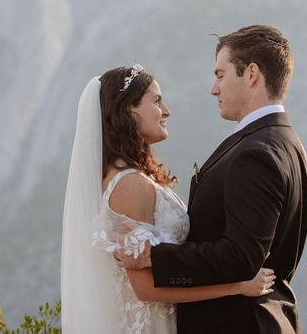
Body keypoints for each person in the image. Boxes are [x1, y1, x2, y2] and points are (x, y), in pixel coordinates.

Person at [119, 25, 307, 333]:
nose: (213, 88)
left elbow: (240, 257)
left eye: (220, 75)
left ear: (251, 75)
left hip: (236, 323)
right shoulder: (287, 143)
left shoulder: (256, 153)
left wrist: (154, 257)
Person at [61, 64, 276, 333]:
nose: (167, 111)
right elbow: (146, 289)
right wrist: (238, 287)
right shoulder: (129, 185)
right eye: (157, 101)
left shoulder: (134, 177)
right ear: (130, 109)